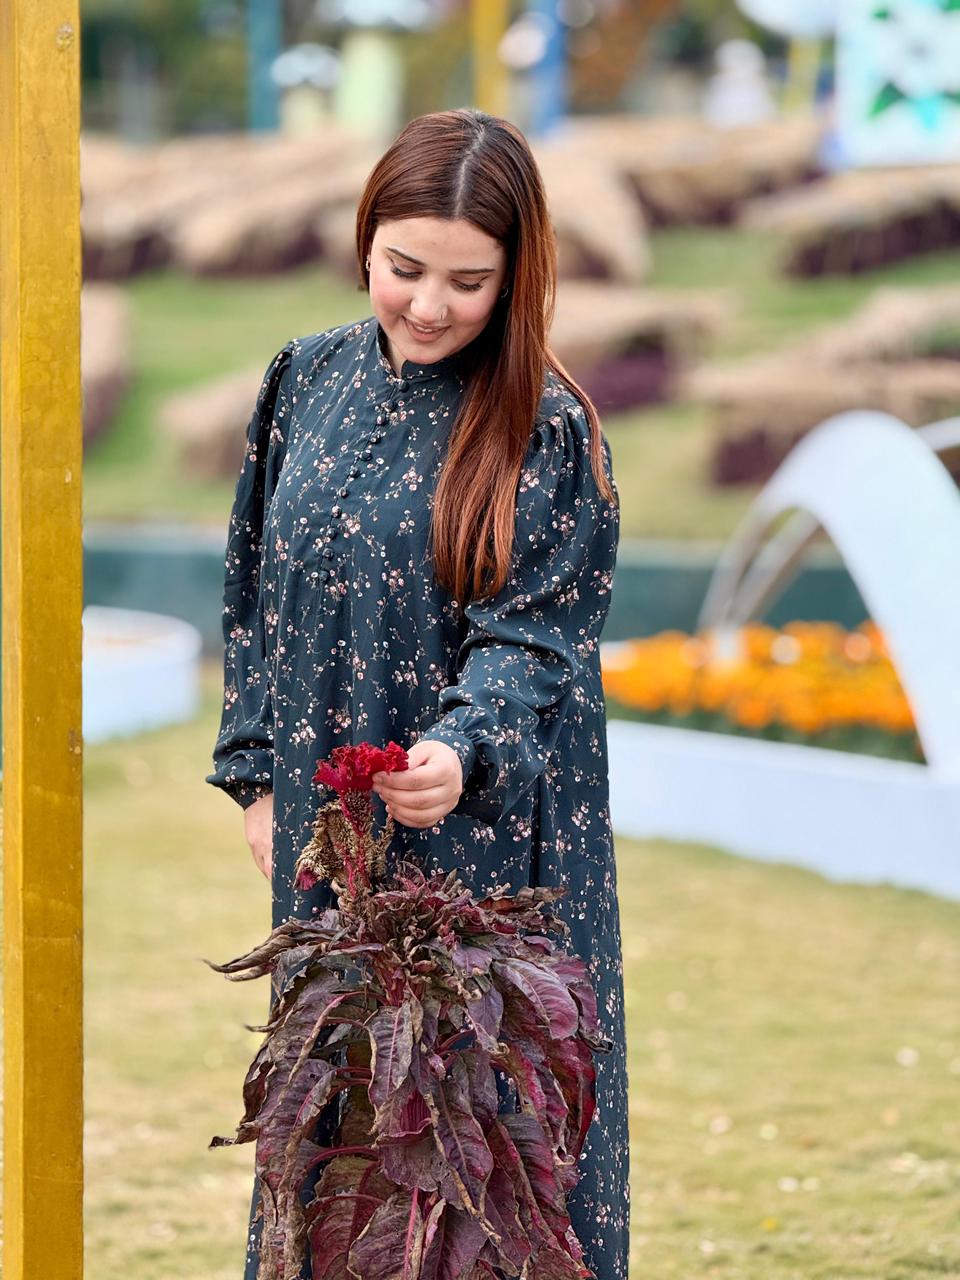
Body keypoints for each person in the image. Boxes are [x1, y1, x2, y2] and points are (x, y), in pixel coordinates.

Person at [206, 107, 629, 1280]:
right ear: (365, 242)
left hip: (488, 846)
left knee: (477, 1160)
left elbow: (535, 638)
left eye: (467, 281)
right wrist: (257, 780)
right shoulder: (304, 377)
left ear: (517, 276)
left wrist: (461, 746)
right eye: (404, 267)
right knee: (336, 1133)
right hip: (328, 840)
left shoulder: (549, 426)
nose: (429, 305)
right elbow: (251, 591)